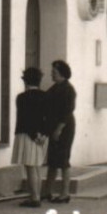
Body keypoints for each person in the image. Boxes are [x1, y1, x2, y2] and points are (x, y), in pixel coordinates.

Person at [11, 67, 47, 207]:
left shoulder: (22, 98)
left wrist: (34, 135)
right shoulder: (45, 96)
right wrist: (42, 134)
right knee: (36, 166)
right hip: (42, 136)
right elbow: (46, 118)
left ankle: (35, 198)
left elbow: (25, 118)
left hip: (27, 134)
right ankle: (36, 195)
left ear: (25, 81)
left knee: (30, 167)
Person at [41, 59, 77, 203]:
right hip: (55, 126)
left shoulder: (68, 89)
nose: (52, 74)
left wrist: (58, 129)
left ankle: (65, 193)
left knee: (63, 160)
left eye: (54, 72)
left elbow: (67, 111)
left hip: (64, 127)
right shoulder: (55, 87)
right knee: (53, 160)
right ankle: (47, 191)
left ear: (62, 73)